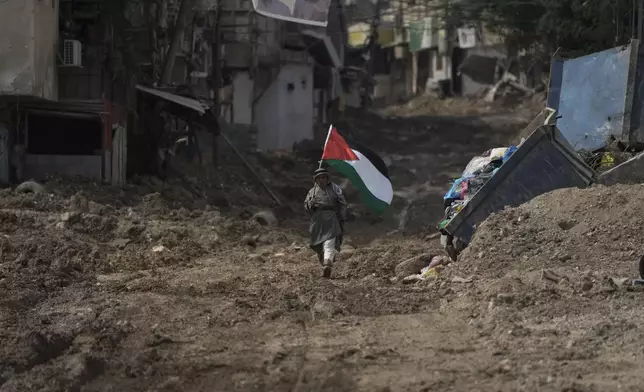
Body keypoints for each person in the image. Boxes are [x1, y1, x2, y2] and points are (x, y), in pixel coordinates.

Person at [304, 167, 347, 278]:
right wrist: (310, 204)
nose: (321, 180)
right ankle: (324, 262)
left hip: (331, 217)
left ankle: (328, 262)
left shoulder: (335, 188)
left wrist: (341, 216)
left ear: (327, 178)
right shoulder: (312, 191)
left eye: (323, 177)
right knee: (318, 245)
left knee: (329, 241)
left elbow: (342, 203)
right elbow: (306, 206)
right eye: (319, 178)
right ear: (316, 180)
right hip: (317, 220)